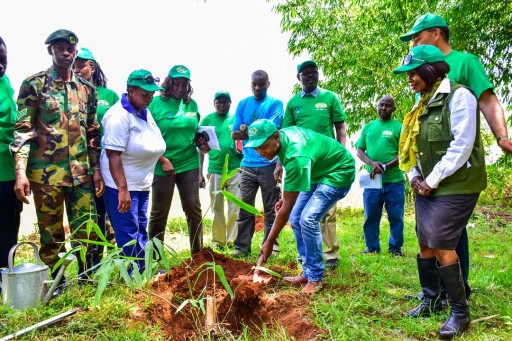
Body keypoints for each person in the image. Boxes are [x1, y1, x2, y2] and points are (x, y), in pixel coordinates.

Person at [400, 13, 511, 299]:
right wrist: (415, 171)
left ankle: (459, 292)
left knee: (448, 232)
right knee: (434, 234)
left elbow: (487, 100)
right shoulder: (420, 76)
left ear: (436, 33)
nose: (413, 43)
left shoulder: (465, 63)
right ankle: (436, 292)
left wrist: (501, 136)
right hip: (429, 164)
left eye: (416, 37)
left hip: (456, 166)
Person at [394, 45, 485, 338]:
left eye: (413, 73)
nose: (409, 78)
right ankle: (430, 298)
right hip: (427, 184)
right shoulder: (420, 103)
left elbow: (462, 144)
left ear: (430, 70)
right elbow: (410, 148)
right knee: (424, 243)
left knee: (443, 245)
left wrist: (430, 181)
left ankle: (460, 311)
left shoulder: (459, 96)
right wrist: (414, 177)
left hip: (457, 184)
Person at [11, 30, 102, 280]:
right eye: (60, 47)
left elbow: (93, 133)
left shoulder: (87, 90)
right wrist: (21, 172)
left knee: (88, 232)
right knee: (51, 236)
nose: (66, 53)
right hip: (46, 175)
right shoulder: (34, 84)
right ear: (49, 50)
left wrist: (96, 172)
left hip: (81, 175)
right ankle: (56, 282)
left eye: (70, 49)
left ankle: (87, 280)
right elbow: (23, 130)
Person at [248, 119, 355, 294]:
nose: (260, 152)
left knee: (308, 219)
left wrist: (268, 242)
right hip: (317, 170)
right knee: (296, 218)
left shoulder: (296, 154)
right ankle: (308, 270)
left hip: (338, 172)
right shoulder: (283, 139)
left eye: (263, 146)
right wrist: (285, 198)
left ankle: (315, 277)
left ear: (276, 137)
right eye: (256, 148)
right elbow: (290, 194)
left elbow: (285, 209)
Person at [281, 60, 347, 269]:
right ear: (298, 77)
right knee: (300, 215)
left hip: (327, 164)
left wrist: (341, 153)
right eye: (305, 73)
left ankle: (330, 254)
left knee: (326, 213)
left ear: (318, 74)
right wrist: (279, 166)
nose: (310, 75)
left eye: (313, 72)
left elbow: (340, 129)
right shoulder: (293, 103)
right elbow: (285, 136)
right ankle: (306, 255)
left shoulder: (329, 98)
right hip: (305, 167)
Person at [101, 69, 165, 272]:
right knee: (128, 230)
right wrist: (122, 189)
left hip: (141, 183)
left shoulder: (143, 111)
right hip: (123, 184)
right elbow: (113, 155)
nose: (149, 98)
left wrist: (162, 158)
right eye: (145, 94)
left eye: (152, 94)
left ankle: (143, 269)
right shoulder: (118, 116)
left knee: (140, 228)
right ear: (130, 90)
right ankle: (131, 275)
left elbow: (149, 141)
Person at [148, 65, 204, 254]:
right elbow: (146, 135)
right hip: (163, 164)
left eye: (184, 82)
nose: (180, 86)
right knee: (159, 213)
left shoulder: (192, 105)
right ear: (169, 82)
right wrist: (162, 159)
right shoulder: (155, 104)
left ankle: (198, 255)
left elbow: (195, 133)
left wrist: (203, 143)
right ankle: (155, 259)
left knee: (193, 209)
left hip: (189, 162)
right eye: (176, 82)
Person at [74, 47, 120, 266]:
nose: (77, 69)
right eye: (74, 65)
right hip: (78, 166)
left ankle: (110, 263)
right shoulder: (69, 93)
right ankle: (88, 265)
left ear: (92, 67)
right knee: (87, 217)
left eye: (81, 65)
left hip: (104, 165)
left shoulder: (109, 96)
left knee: (107, 215)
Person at [231, 70, 283, 257]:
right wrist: (256, 132)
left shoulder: (275, 104)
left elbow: (271, 130)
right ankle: (241, 247)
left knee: (271, 208)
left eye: (261, 84)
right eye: (254, 84)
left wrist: (247, 129)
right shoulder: (243, 104)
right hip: (248, 165)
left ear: (268, 84)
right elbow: (235, 133)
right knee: (245, 207)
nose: (257, 87)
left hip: (269, 164)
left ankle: (271, 246)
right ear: (250, 84)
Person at [355, 95, 405, 256]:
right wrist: (372, 163)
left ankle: (395, 249)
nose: (383, 108)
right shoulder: (369, 127)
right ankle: (372, 248)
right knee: (371, 216)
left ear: (393, 109)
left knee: (396, 217)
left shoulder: (399, 127)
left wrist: (385, 166)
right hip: (372, 181)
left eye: (388, 106)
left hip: (394, 181)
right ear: (377, 106)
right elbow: (359, 150)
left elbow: (403, 153)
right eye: (381, 105)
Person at [199, 91, 241, 250]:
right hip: (215, 170)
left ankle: (232, 241)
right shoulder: (208, 120)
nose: (222, 104)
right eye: (219, 101)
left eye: (225, 101)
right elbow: (200, 147)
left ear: (230, 103)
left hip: (235, 170)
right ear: (214, 103)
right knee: (216, 207)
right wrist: (200, 173)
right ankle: (218, 241)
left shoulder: (236, 118)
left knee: (234, 207)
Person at [0, 36, 22, 268]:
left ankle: (6, 277)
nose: (0, 65)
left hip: (8, 173)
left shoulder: (5, 82)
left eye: (3, 60)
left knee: (8, 230)